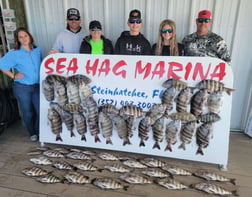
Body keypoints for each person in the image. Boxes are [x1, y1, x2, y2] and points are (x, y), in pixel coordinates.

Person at [0, 27, 42, 141]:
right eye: (21, 37)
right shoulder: (15, 53)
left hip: (37, 85)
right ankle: (32, 133)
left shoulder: (37, 49)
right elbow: (1, 65)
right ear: (17, 40)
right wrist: (13, 76)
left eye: (25, 36)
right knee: (28, 111)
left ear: (30, 36)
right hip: (23, 87)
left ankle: (38, 130)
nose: (24, 39)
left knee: (40, 109)